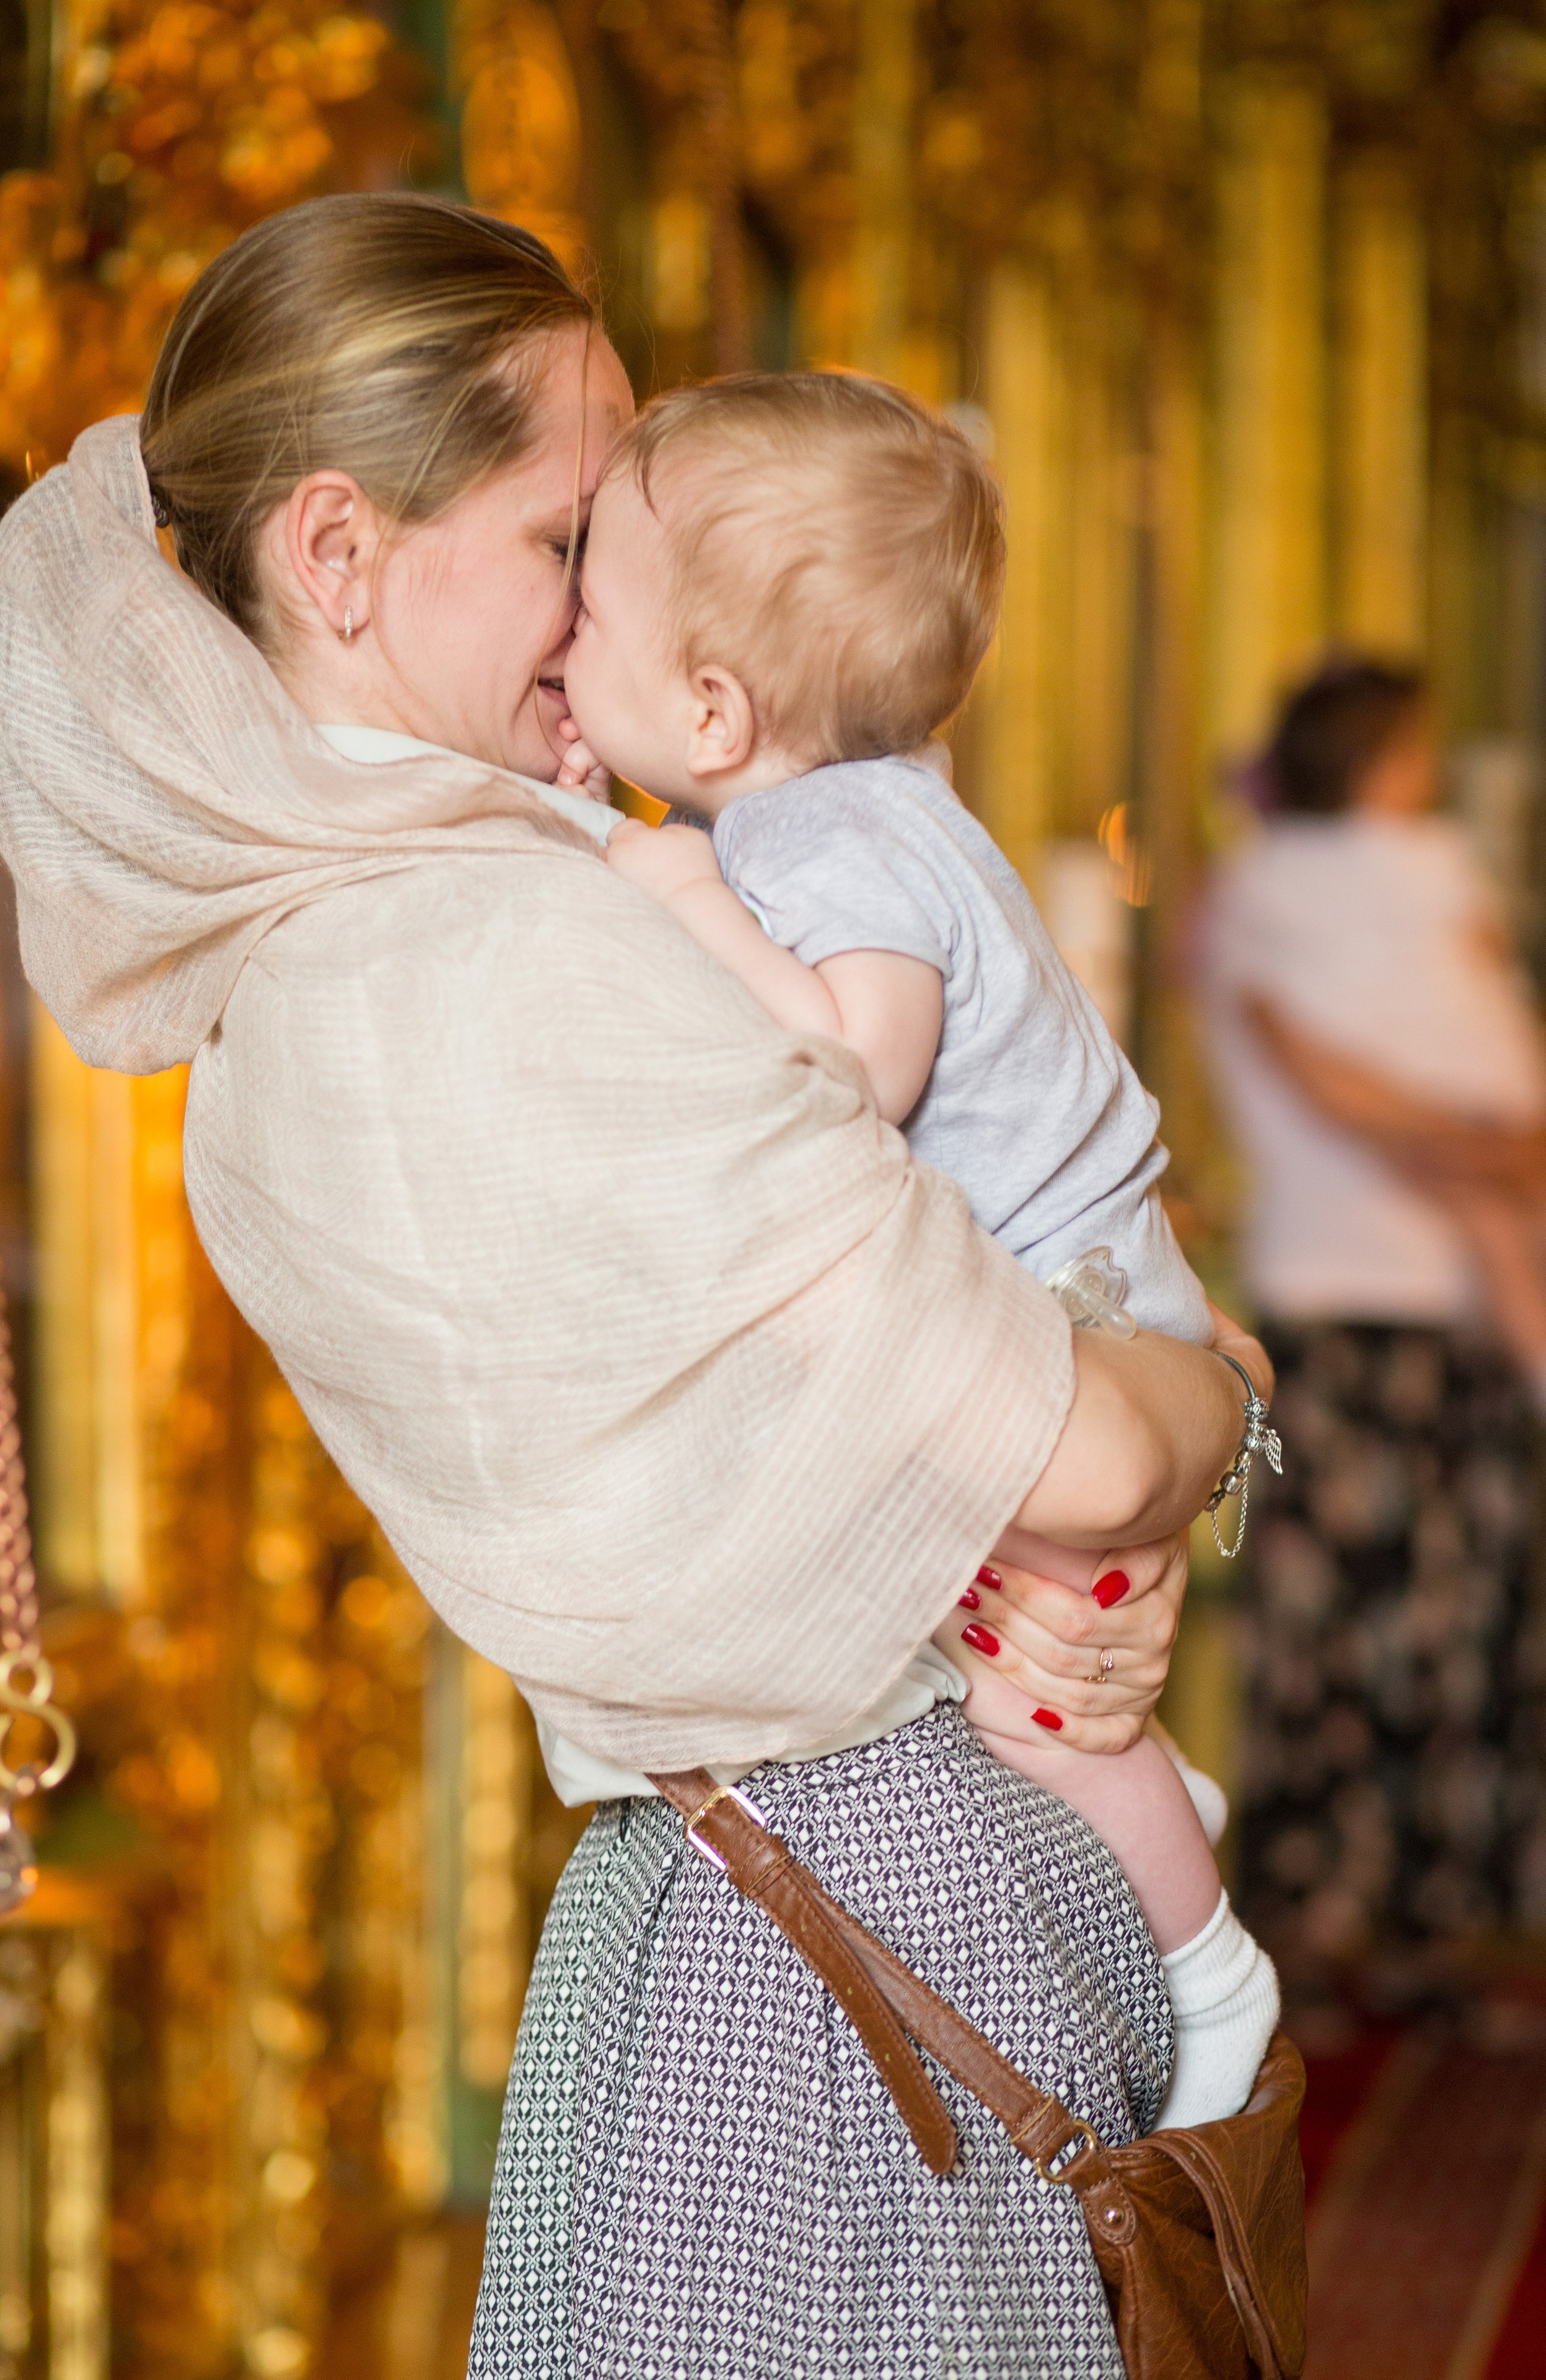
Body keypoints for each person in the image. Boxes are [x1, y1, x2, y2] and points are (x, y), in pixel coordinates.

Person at [0, 194, 1265, 2379]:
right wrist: (1214, 1373)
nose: (603, 628)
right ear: (337, 556)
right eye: (567, 537)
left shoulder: (468, 910)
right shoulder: (500, 951)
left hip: (783, 1908)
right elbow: (1100, 1450)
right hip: (847, 1940)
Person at [550, 369, 1278, 2127]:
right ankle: (1167, 1813)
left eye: (586, 612)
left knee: (1046, 1709)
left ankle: (1209, 1964)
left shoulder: (811, 843)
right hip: (1088, 1295)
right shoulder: (860, 800)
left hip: (1069, 1310)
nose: (565, 648)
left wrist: (685, 898)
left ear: (714, 710)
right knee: (1027, 1658)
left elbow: (856, 1072)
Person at [1205, 655, 1546, 1996]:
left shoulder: (1256, 899)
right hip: (1423, 1311)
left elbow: (1338, 1088)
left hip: (1336, 1308)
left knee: (1331, 1624)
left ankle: (1326, 1924)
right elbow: (1472, 1090)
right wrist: (1484, 1152)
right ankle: (1429, 1923)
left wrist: (1445, 1143)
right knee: (1440, 1621)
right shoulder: (1412, 887)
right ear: (1383, 762)